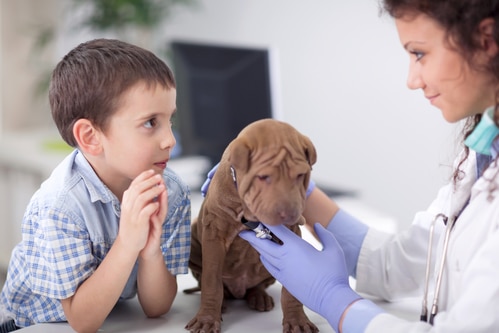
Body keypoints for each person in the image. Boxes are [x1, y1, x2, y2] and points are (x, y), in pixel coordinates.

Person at [200, 0, 499, 332]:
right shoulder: (482, 153)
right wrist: (294, 189)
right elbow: (402, 265)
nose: (412, 80)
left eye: (418, 54)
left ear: (486, 41)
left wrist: (333, 299)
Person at [0, 38, 191, 333]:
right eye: (151, 122)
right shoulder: (60, 206)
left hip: (114, 315)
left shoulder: (171, 192)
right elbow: (83, 321)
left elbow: (156, 308)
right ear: (90, 137)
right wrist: (128, 242)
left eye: (170, 120)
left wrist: (151, 250)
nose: (170, 140)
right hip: (30, 324)